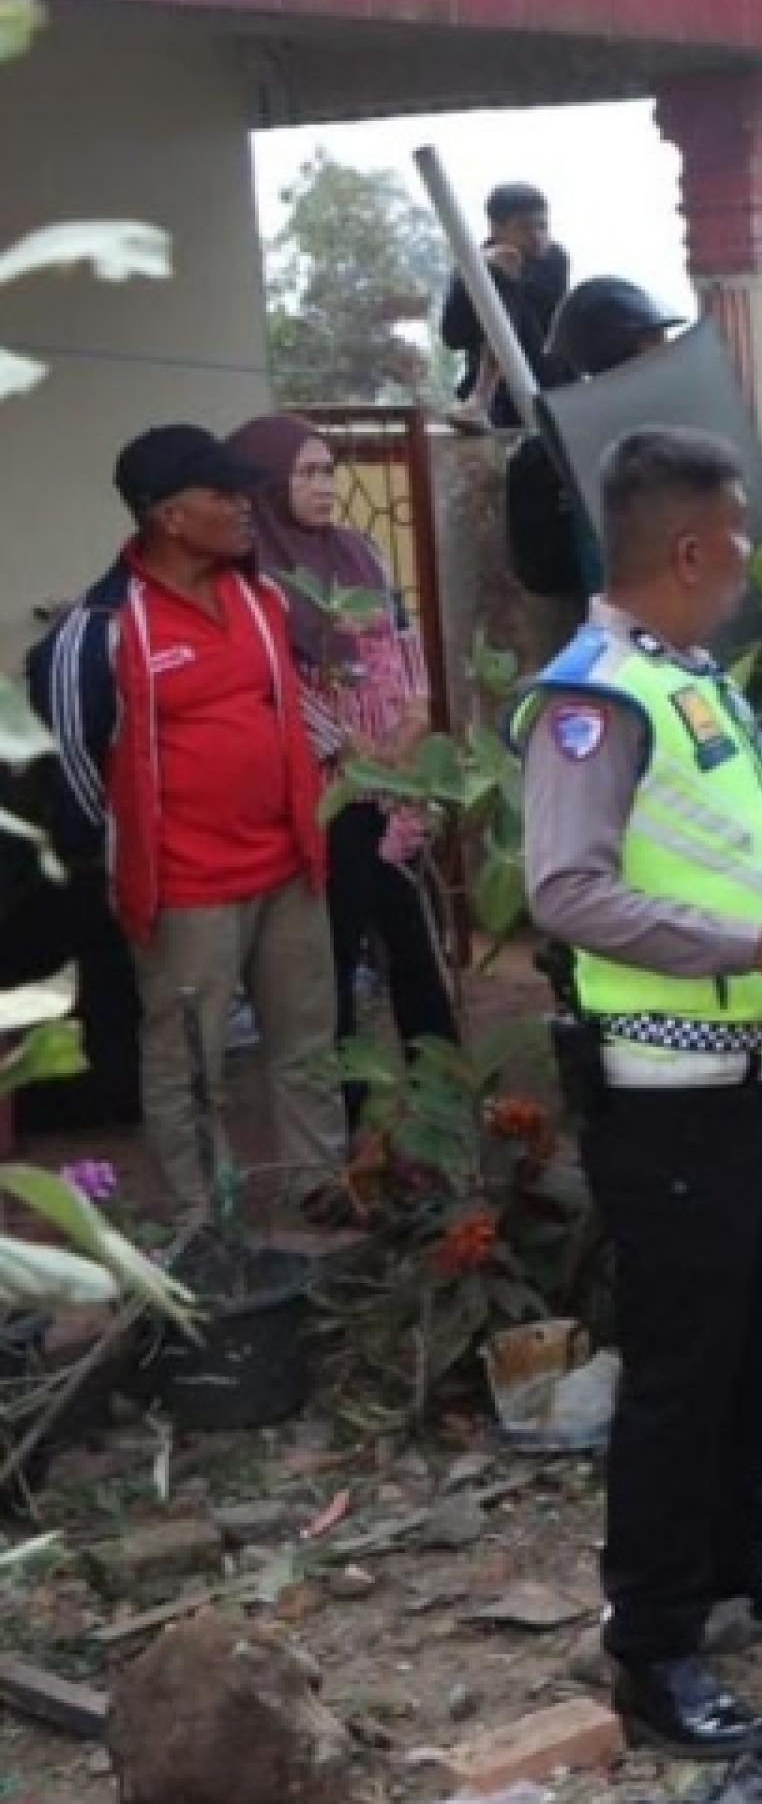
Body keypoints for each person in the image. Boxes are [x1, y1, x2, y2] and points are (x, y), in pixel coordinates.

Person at [511, 426, 762, 1755]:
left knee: (758, 1352)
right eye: (742, 534)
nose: (751, 559)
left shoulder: (688, 680)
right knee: (682, 1376)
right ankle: (654, 1648)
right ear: (691, 547)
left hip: (754, 1077)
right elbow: (567, 891)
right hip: (666, 1090)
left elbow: (738, 832)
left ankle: (741, 1560)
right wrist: (760, 949)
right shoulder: (596, 699)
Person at [28, 427, 346, 1217]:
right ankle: (200, 1219)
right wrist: (124, 858)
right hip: (187, 889)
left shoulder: (258, 595)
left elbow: (287, 704)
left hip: (289, 867)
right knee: (188, 1062)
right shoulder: (100, 629)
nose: (247, 508)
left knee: (307, 1041)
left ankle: (319, 1185)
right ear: (168, 515)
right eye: (224, 495)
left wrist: (346, 765)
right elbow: (69, 764)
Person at [227, 415, 461, 1097]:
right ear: (268, 483)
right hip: (329, 791)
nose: (325, 485)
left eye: (329, 470)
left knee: (413, 937)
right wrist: (348, 745)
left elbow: (401, 632)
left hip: (395, 779)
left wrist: (415, 714)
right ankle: (348, 1112)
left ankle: (443, 1087)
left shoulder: (361, 553)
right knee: (335, 952)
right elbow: (273, 683)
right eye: (307, 472)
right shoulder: (257, 581)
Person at [504, 276, 686, 606]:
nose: (666, 346)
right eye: (655, 338)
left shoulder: (564, 435)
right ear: (630, 347)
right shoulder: (639, 435)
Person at [439, 182, 572, 430]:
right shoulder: (474, 265)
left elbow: (545, 310)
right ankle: (481, 399)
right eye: (524, 228)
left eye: (542, 226)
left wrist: (510, 274)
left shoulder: (554, 259)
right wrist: (480, 269)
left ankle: (481, 399)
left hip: (548, 382)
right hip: (502, 398)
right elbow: (453, 336)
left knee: (505, 281)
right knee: (500, 280)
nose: (536, 237)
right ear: (496, 229)